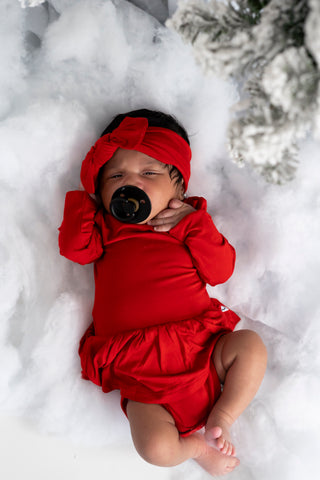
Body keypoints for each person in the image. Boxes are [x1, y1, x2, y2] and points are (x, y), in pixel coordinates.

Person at [59, 109, 267, 476]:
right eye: (115, 176)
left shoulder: (187, 221)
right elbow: (75, 249)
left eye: (149, 173)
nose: (131, 183)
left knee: (250, 346)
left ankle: (226, 412)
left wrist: (193, 225)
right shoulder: (105, 228)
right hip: (141, 376)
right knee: (154, 448)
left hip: (203, 352)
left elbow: (221, 270)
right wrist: (84, 201)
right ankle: (196, 448)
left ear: (180, 189)